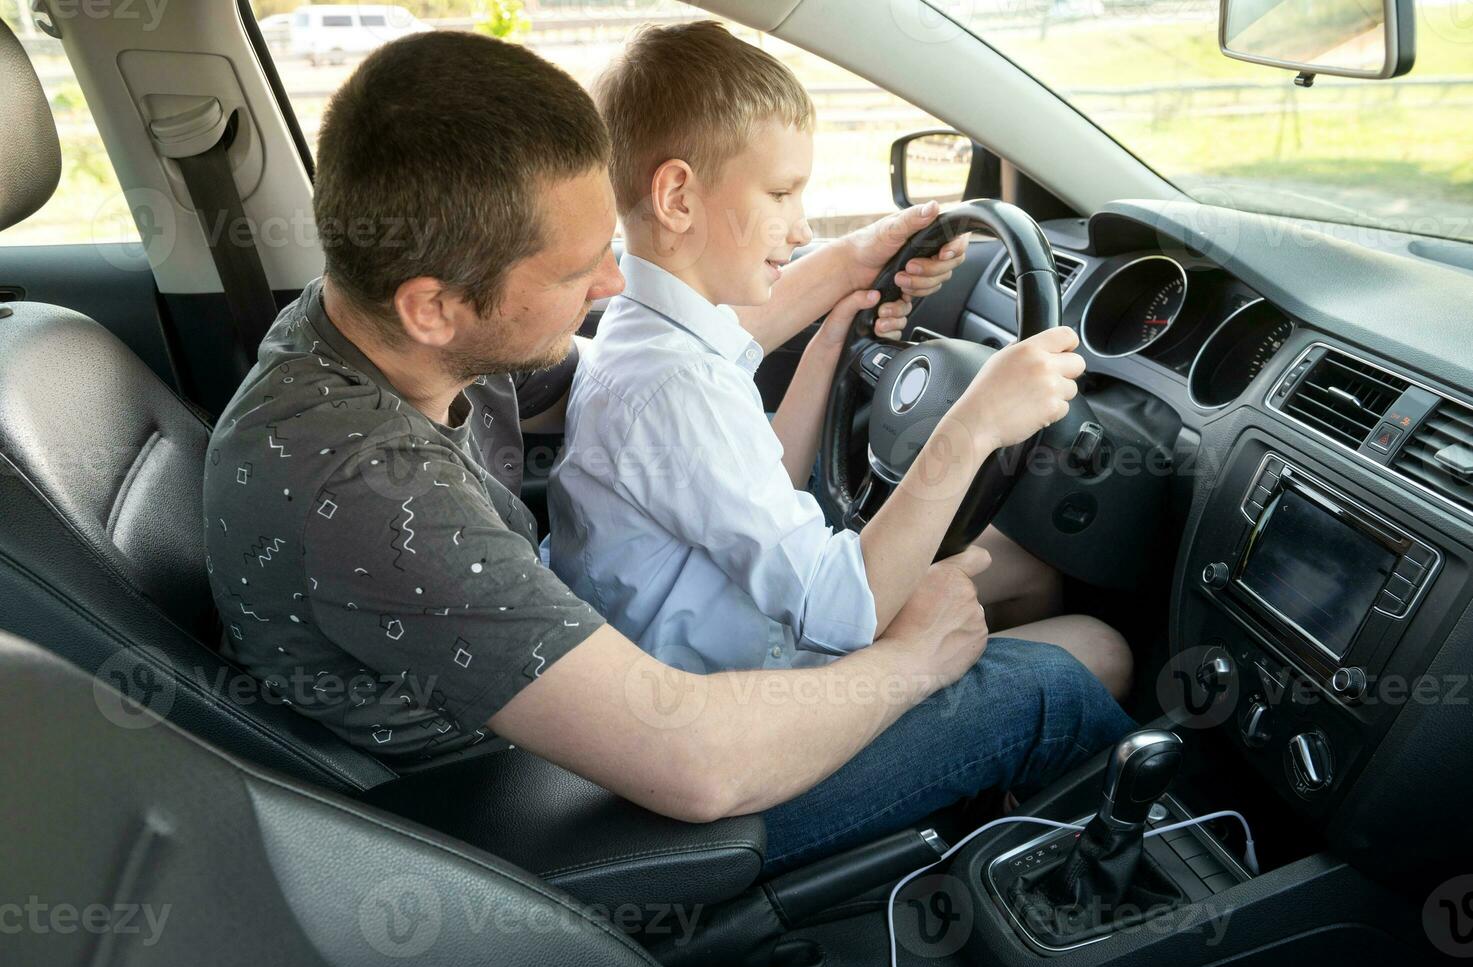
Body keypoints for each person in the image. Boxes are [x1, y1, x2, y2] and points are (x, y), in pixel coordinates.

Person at [202, 29, 1132, 874]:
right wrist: (913, 661)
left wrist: (845, 273)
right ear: (434, 305)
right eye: (575, 272)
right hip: (568, 826)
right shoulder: (370, 493)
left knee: (1009, 591)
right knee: (1071, 669)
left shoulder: (375, 332)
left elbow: (640, 367)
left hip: (579, 728)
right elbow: (698, 765)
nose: (611, 282)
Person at [547, 21, 1131, 702]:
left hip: (715, 636)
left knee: (1020, 569)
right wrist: (976, 424)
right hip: (755, 697)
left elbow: (764, 475)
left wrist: (835, 339)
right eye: (780, 193)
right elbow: (843, 611)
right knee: (1101, 649)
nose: (799, 229)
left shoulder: (646, 332)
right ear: (677, 197)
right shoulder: (680, 386)